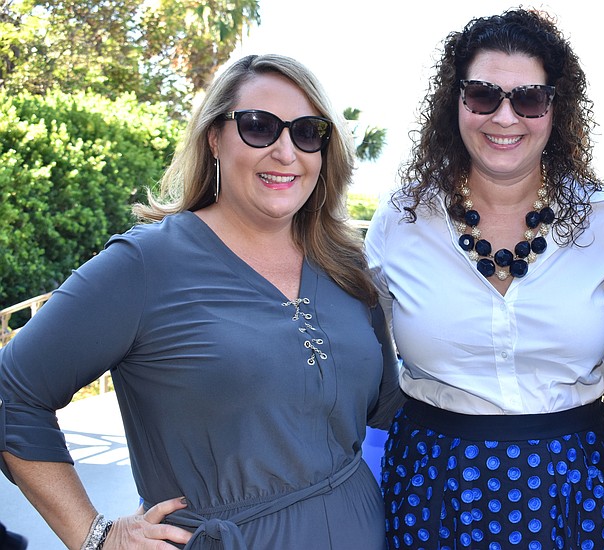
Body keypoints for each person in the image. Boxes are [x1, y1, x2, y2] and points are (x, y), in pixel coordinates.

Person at [0, 53, 404, 549]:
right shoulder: (145, 264)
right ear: (214, 137)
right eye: (259, 127)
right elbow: (13, 393)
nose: (285, 151)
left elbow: (393, 409)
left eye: (307, 132)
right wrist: (95, 535)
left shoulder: (346, 265)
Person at [365, 9, 604, 549]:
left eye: (529, 98)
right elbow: (360, 349)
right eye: (483, 94)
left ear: (556, 109)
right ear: (455, 102)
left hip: (573, 485)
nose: (504, 117)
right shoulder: (402, 220)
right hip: (433, 482)